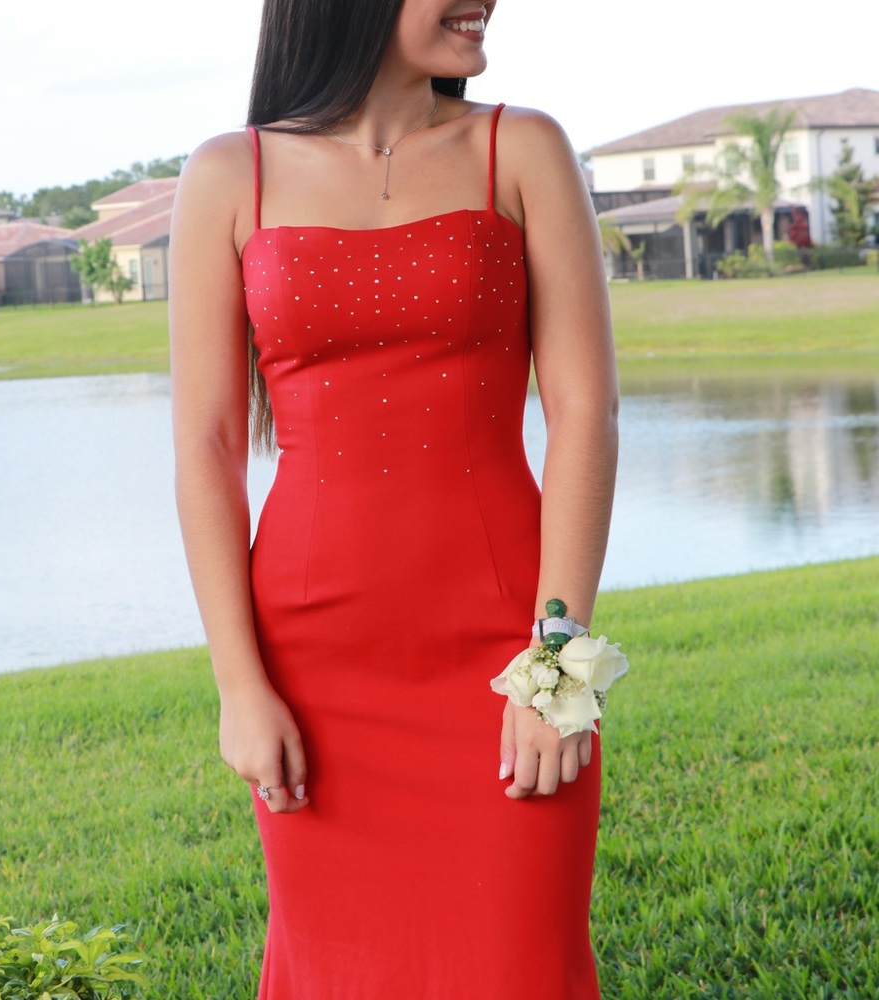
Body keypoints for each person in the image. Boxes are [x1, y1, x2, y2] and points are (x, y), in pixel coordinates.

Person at [169, 1, 618, 996]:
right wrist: (237, 688)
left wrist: (557, 674)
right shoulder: (225, 175)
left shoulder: (521, 147)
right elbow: (204, 448)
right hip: (312, 669)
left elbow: (585, 416)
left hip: (505, 655)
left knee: (523, 965)